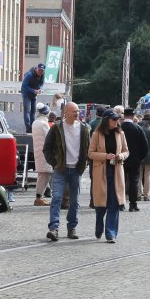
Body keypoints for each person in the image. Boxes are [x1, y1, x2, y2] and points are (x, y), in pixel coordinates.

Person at [40, 101, 89, 241]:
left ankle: (71, 228)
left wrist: (84, 163)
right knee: (56, 198)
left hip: (76, 170)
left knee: (75, 201)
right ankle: (54, 228)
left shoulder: (84, 128)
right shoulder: (57, 127)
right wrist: (54, 163)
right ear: (65, 113)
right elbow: (47, 148)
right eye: (74, 111)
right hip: (60, 169)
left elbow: (88, 147)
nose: (77, 113)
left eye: (77, 111)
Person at [89, 111, 128, 243]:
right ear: (107, 120)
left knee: (114, 203)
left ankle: (110, 233)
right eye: (114, 119)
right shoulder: (96, 134)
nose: (116, 121)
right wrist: (105, 156)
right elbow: (90, 153)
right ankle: (99, 226)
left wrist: (120, 156)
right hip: (101, 172)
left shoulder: (121, 134)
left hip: (116, 172)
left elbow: (126, 151)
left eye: (117, 119)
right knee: (101, 205)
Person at [118, 108, 149, 212]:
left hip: (121, 159)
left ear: (124, 115)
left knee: (121, 181)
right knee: (133, 182)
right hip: (135, 160)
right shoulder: (138, 128)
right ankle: (133, 204)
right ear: (133, 115)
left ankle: (120, 203)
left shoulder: (119, 128)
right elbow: (145, 146)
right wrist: (140, 158)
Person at [31, 110, 56, 206]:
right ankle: (39, 198)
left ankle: (39, 197)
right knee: (45, 175)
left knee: (42, 175)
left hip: (38, 152)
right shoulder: (43, 124)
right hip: (45, 153)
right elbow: (49, 138)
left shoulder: (35, 123)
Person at [138, 112, 150, 200]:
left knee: (139, 175)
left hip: (140, 155)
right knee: (147, 175)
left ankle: (138, 194)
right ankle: (146, 195)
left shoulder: (139, 129)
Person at [20, 63, 46, 127]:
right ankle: (28, 127)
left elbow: (41, 84)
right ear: (36, 69)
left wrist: (40, 89)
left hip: (34, 94)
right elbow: (24, 86)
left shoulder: (42, 75)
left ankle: (33, 126)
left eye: (42, 71)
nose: (40, 72)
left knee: (33, 111)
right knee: (27, 110)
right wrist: (33, 90)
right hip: (26, 93)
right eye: (39, 70)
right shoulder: (29, 75)